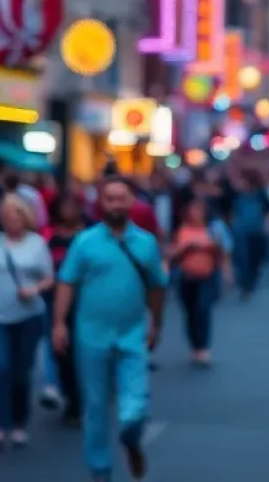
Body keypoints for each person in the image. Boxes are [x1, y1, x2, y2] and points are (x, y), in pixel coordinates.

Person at [53, 175, 167, 482]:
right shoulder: (85, 242)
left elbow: (158, 287)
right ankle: (100, 471)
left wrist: (156, 323)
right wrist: (59, 323)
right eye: (109, 199)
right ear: (100, 203)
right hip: (91, 336)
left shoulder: (146, 243)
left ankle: (131, 437)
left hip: (132, 334)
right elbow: (67, 282)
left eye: (121, 198)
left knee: (135, 403)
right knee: (95, 407)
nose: (115, 204)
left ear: (132, 202)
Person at [0, 195, 54, 449]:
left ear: (25, 217)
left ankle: (19, 423)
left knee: (21, 372)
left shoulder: (37, 244)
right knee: (0, 368)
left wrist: (33, 289)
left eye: (16, 214)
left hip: (28, 316)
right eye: (7, 215)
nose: (12, 220)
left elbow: (50, 278)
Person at [168, 197, 232, 366]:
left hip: (207, 275)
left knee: (203, 309)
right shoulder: (183, 230)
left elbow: (224, 251)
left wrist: (226, 272)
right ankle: (194, 346)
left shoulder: (215, 228)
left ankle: (203, 348)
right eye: (192, 210)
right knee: (190, 312)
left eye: (198, 210)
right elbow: (173, 255)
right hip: (187, 276)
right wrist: (185, 249)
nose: (194, 213)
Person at [40, 192, 86, 423]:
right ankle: (69, 395)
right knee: (61, 349)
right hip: (56, 299)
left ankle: (82, 397)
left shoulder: (87, 237)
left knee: (83, 349)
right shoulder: (50, 236)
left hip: (85, 301)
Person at [230, 170, 269, 298]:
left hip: (257, 230)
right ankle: (245, 285)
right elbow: (233, 211)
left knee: (255, 258)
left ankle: (252, 280)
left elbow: (268, 210)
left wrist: (267, 225)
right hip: (241, 231)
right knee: (243, 258)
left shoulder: (260, 195)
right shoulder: (237, 195)